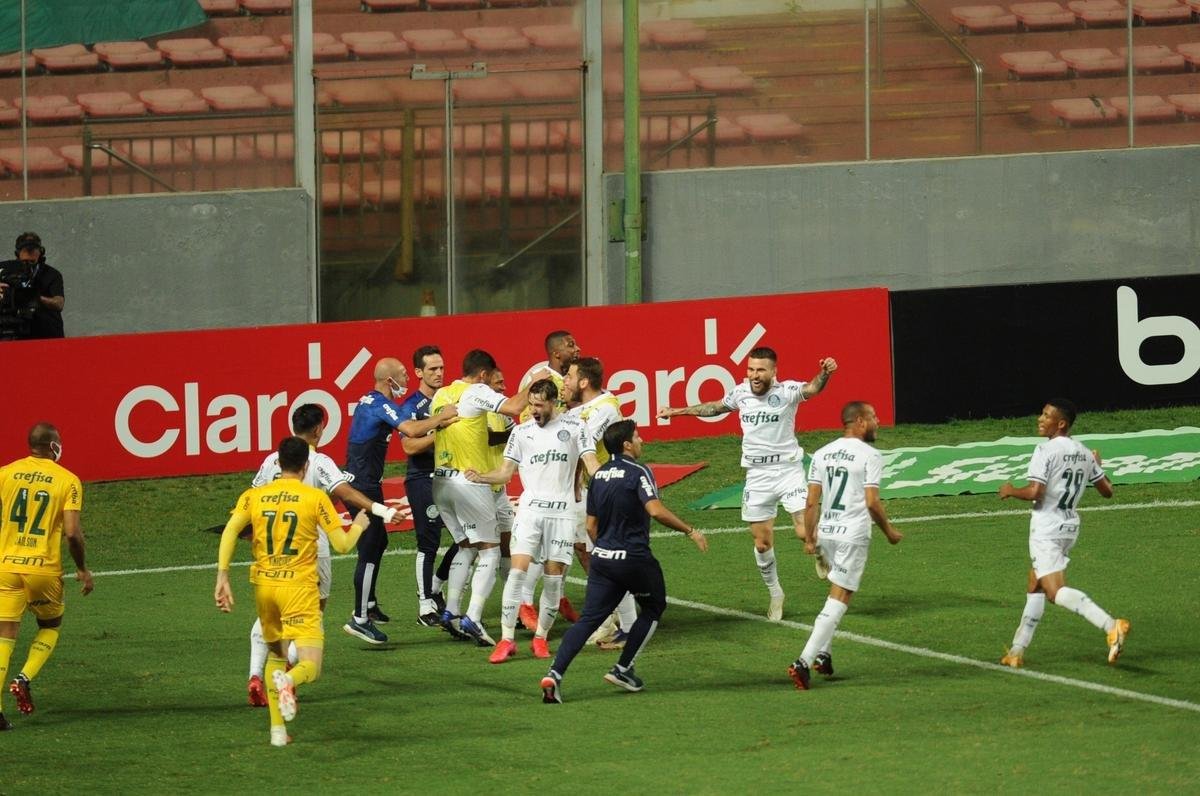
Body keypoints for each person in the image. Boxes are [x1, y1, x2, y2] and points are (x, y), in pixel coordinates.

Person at [658, 348, 837, 621]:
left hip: (788, 471)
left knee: (805, 533)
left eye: (760, 370)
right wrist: (676, 411)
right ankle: (776, 594)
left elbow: (812, 389)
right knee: (763, 544)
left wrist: (824, 373)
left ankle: (820, 550)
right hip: (757, 475)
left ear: (773, 372)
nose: (754, 375)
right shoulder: (740, 393)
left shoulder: (787, 391)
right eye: (751, 369)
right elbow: (714, 407)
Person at [214, 436, 371, 747]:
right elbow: (340, 545)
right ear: (306, 465)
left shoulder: (254, 495)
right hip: (299, 589)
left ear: (277, 463)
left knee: (276, 655)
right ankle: (289, 680)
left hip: (265, 588)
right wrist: (359, 526)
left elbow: (232, 529)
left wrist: (222, 574)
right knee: (310, 665)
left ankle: (277, 732)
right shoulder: (314, 498)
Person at [539, 420, 708, 704]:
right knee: (654, 606)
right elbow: (655, 510)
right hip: (634, 559)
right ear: (627, 444)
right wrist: (690, 530)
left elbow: (591, 526)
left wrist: (607, 546)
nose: (641, 441)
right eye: (637, 437)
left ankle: (554, 675)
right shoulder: (639, 471)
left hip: (603, 559)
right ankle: (623, 668)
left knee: (588, 620)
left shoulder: (600, 475)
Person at [244, 404, 399, 707]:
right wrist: (381, 509)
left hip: (272, 548)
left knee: (271, 613)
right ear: (318, 429)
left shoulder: (271, 461)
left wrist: (252, 533)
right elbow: (347, 493)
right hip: (310, 550)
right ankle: (289, 673)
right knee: (309, 616)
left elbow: (252, 499)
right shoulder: (317, 460)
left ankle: (255, 675)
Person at [465, 379, 600, 663]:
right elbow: (504, 473)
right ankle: (506, 640)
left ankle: (540, 638)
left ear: (554, 403)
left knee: (552, 581)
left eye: (539, 405)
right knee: (517, 573)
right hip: (530, 512)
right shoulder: (522, 433)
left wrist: (615, 478)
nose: (533, 411)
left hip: (562, 514)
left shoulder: (576, 428)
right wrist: (482, 477)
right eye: (531, 404)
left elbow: (591, 464)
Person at [431, 349, 550, 646]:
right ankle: (472, 615)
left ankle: (453, 612)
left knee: (468, 547)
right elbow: (511, 407)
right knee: (490, 552)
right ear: (483, 375)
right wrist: (534, 382)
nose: (499, 385)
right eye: (495, 379)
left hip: (442, 481)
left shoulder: (442, 395)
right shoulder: (476, 391)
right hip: (470, 482)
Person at [997, 399, 1129, 667]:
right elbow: (1107, 491)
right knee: (1035, 583)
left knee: (1055, 592)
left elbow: (1036, 492)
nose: (1040, 419)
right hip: (1069, 527)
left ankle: (1110, 625)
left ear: (1061, 424)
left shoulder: (1045, 451)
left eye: (1046, 416)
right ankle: (1016, 651)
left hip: (1047, 528)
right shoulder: (1083, 452)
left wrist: (1011, 491)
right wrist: (1098, 465)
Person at [342, 358, 458, 645]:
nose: (407, 379)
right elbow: (410, 429)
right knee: (370, 548)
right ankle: (359, 619)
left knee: (379, 542)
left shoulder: (370, 400)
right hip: (362, 487)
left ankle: (368, 604)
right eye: (403, 375)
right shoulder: (380, 403)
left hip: (369, 483)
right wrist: (442, 418)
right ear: (388, 380)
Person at [787, 402, 902, 690]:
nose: (877, 422)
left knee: (833, 591)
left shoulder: (822, 453)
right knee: (839, 598)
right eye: (874, 417)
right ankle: (803, 661)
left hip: (827, 531)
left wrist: (811, 538)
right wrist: (889, 531)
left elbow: (812, 501)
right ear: (860, 421)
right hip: (852, 534)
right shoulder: (870, 455)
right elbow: (872, 502)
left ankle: (823, 655)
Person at [0, 423, 93, 729]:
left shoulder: (6, 473)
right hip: (42, 569)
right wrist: (81, 568)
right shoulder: (68, 480)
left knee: (5, 634)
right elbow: (72, 534)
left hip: (7, 566)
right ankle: (24, 676)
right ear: (54, 446)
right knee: (50, 625)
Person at [561, 357, 637, 649]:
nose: (564, 381)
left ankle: (627, 627)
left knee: (611, 560)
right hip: (594, 493)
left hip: (610, 492)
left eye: (568, 377)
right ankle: (612, 621)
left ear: (584, 382)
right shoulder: (582, 408)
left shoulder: (605, 408)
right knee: (595, 555)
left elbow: (585, 445)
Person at [516, 331, 582, 622]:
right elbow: (523, 417)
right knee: (541, 541)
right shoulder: (538, 376)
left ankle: (559, 595)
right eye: (571, 345)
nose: (577, 349)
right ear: (557, 353)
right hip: (541, 466)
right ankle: (525, 604)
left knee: (564, 539)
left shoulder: (568, 379)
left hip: (563, 470)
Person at [397, 345, 457, 628]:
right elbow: (409, 445)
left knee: (466, 539)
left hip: (452, 477)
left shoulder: (450, 399)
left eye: (441, 368)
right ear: (418, 372)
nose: (438, 373)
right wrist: (440, 434)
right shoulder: (412, 406)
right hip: (423, 479)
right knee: (429, 542)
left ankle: (436, 584)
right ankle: (424, 607)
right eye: (432, 369)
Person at [0, 232, 65, 340]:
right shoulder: (4, 269)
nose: (28, 265)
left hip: (45, 333)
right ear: (17, 254)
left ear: (40, 254)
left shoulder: (52, 274)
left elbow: (59, 303)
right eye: (24, 262)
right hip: (12, 333)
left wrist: (32, 297)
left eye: (32, 262)